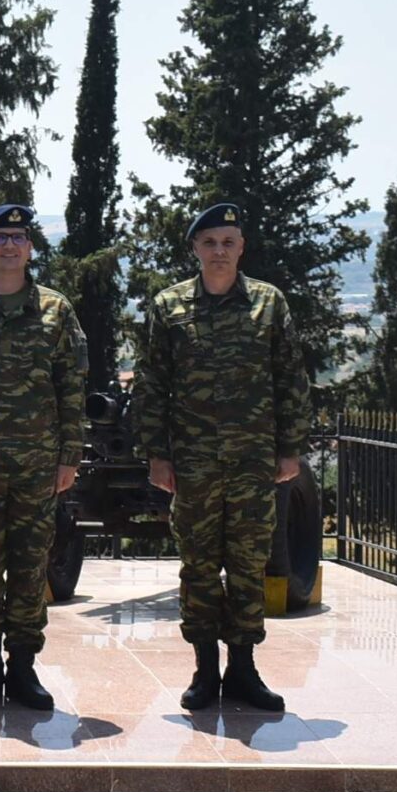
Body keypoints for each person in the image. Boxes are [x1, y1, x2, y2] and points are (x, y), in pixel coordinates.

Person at [132, 201, 307, 715]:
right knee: (199, 566)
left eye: (228, 242)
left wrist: (290, 448)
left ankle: (244, 669)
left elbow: (290, 376)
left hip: (253, 460)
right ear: (195, 248)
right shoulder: (170, 306)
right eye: (209, 243)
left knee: (249, 564)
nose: (219, 251)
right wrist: (157, 454)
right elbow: (152, 382)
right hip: (194, 463)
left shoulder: (268, 303)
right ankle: (205, 670)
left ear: (241, 248)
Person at [0, 204, 86, 712]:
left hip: (37, 463)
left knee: (31, 567)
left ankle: (24, 669)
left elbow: (71, 386)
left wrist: (69, 455)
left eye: (18, 237)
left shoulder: (55, 310)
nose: (9, 246)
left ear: (30, 248)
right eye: (0, 238)